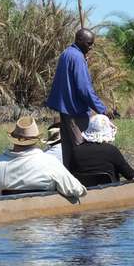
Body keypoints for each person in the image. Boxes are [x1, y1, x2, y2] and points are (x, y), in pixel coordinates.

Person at [46, 28, 109, 171]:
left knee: (68, 150)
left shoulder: (66, 54)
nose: (91, 47)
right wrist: (102, 109)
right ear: (79, 40)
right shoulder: (77, 58)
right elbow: (84, 89)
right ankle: (86, 177)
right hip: (75, 111)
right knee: (82, 148)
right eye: (89, 43)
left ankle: (71, 176)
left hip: (65, 110)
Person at [0, 117, 87, 201]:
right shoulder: (49, 162)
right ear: (35, 139)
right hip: (45, 221)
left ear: (14, 139)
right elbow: (76, 189)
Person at [71, 114, 134, 186]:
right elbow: (129, 174)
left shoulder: (76, 151)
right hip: (110, 191)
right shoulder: (111, 150)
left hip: (87, 192)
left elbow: (72, 173)